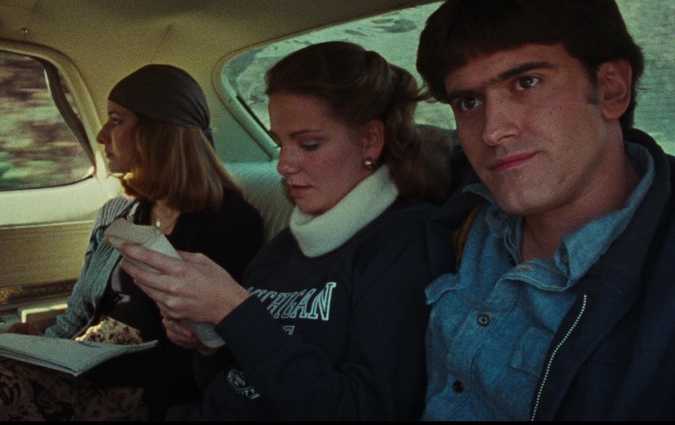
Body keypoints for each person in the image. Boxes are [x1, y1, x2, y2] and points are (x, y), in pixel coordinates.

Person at [117, 41, 453, 420]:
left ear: (370, 140)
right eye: (280, 144)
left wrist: (235, 311)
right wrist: (210, 342)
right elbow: (229, 385)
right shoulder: (282, 249)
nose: (284, 165)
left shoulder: (406, 245)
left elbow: (362, 410)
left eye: (309, 144)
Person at [0, 64, 265, 421]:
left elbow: (207, 349)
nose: (101, 135)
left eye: (116, 121)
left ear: (157, 133)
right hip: (85, 365)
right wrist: (40, 344)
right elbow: (80, 312)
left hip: (140, 389)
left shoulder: (230, 223)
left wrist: (89, 367)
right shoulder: (120, 214)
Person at [414, 0, 675, 421]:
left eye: (527, 83)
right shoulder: (460, 210)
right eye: (469, 102)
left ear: (612, 89)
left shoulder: (672, 278)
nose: (491, 131)